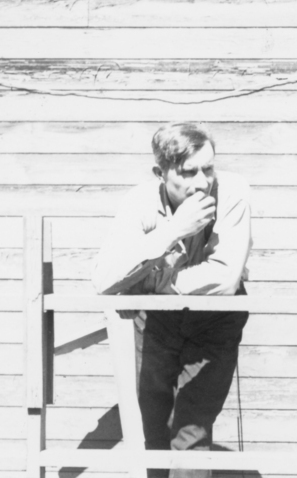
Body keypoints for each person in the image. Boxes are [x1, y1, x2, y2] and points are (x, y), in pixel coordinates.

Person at [92, 123, 252, 478]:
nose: (202, 182)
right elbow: (104, 279)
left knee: (191, 430)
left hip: (215, 319)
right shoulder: (140, 201)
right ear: (160, 174)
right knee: (152, 423)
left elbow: (224, 279)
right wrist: (173, 230)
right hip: (157, 320)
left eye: (208, 169)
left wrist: (149, 281)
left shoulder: (234, 191)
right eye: (188, 172)